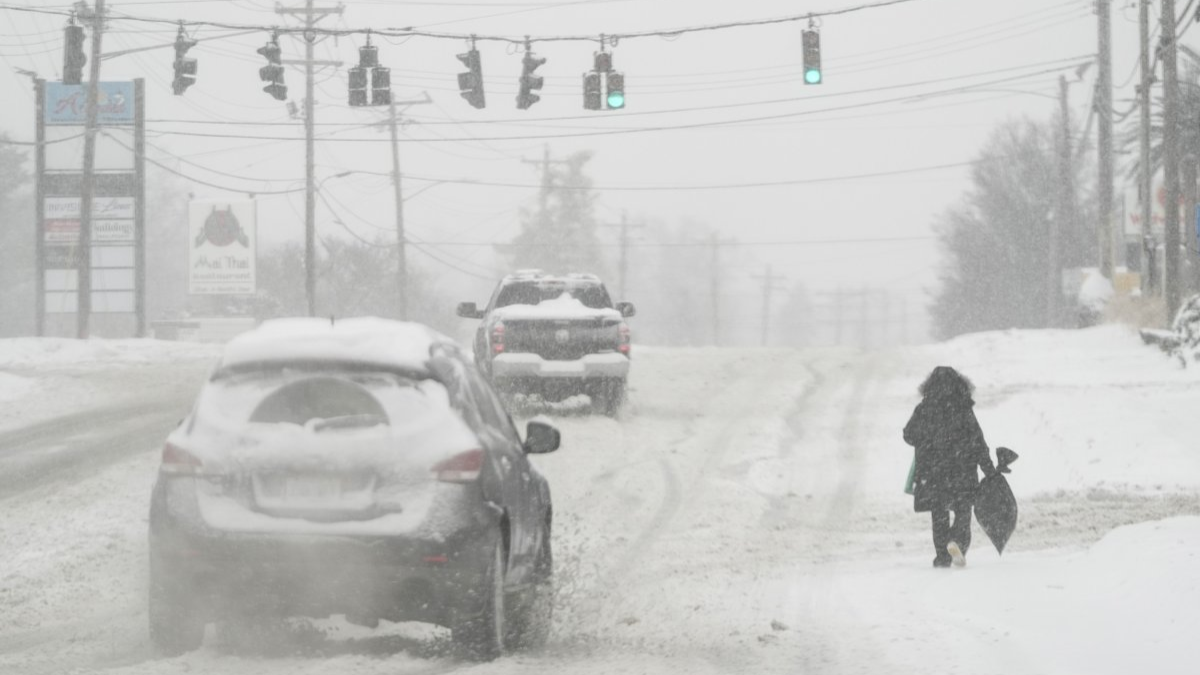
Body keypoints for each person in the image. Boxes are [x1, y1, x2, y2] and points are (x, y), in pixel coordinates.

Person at [903, 366, 996, 568]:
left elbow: (908, 435)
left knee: (939, 515)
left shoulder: (924, 408)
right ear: (958, 384)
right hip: (962, 470)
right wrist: (988, 468)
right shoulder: (963, 408)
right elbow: (977, 441)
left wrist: (927, 440)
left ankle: (942, 556)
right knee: (963, 511)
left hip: (933, 472)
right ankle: (957, 542)